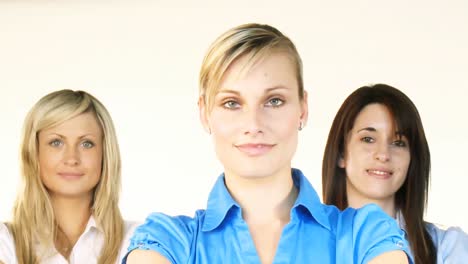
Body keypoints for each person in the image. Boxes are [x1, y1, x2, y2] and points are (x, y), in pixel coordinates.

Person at [125, 23, 412, 264]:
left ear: (303, 108)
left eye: (274, 101)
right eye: (231, 103)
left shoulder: (368, 235)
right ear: (204, 113)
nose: (253, 124)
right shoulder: (164, 241)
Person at [322, 83, 468, 264]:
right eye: (368, 139)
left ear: (412, 158)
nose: (383, 155)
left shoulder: (449, 248)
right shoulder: (302, 242)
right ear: (341, 153)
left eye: (398, 143)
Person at [0, 90, 138, 264]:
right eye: (56, 142)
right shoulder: (4, 242)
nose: (71, 158)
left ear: (105, 154)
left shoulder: (138, 241)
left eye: (86, 143)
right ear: (34, 153)